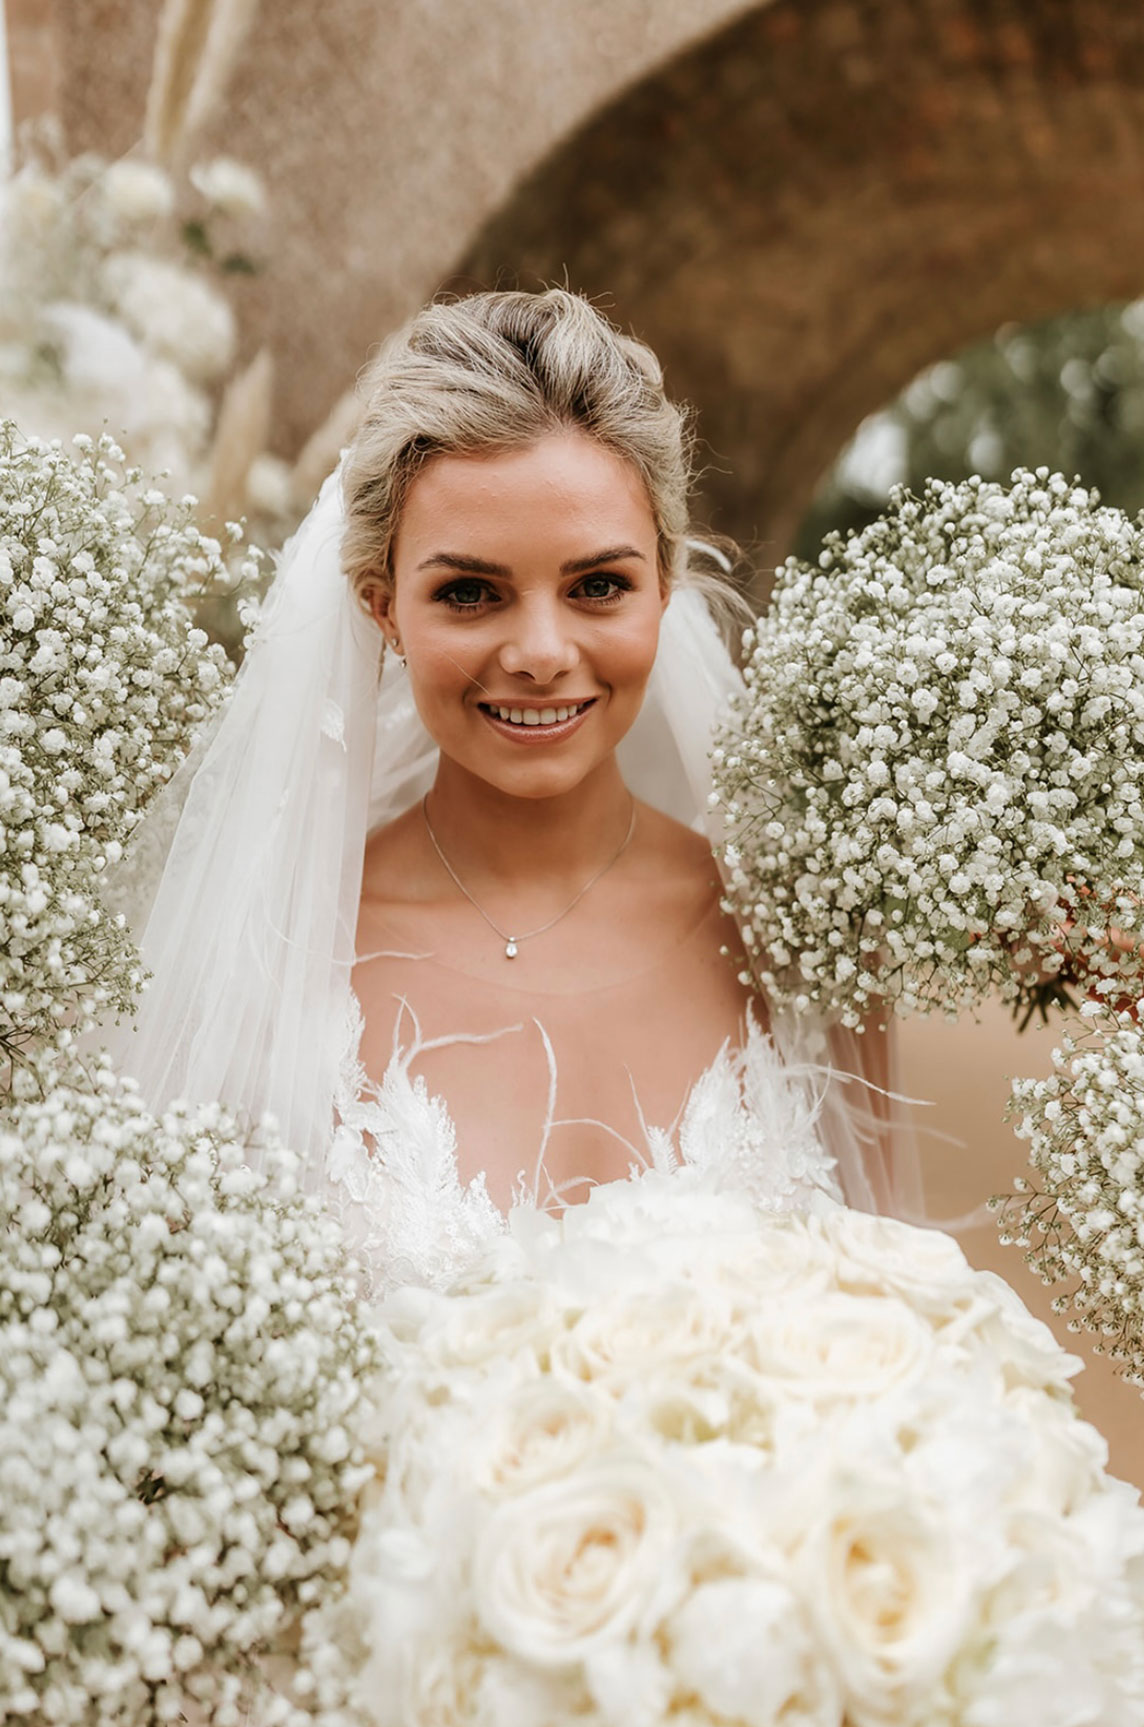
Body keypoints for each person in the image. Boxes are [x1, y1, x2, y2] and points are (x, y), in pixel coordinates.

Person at [106, 288, 910, 1300]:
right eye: (470, 593)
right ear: (382, 606)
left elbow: (891, 1325)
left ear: (665, 585)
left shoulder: (800, 936)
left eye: (598, 586)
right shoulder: (273, 960)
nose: (539, 653)